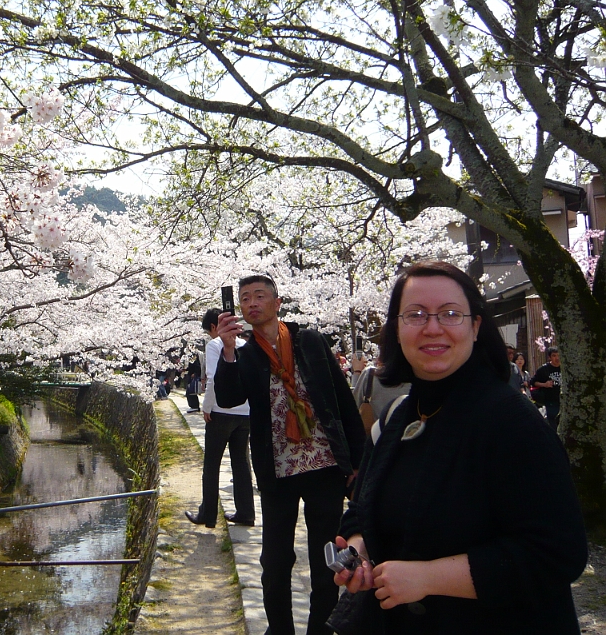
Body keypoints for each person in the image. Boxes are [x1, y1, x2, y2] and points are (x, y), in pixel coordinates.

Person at [331, 261, 586, 635]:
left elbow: (558, 553)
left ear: (476, 326)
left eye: (450, 314)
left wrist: (429, 578)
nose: (432, 327)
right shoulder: (398, 415)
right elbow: (362, 507)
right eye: (415, 315)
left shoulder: (511, 423)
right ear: (397, 329)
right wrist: (358, 551)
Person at [215, 275, 366, 635]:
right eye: (245, 298)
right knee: (275, 561)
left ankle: (320, 629)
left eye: (260, 296)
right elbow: (229, 397)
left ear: (277, 302)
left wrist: (358, 463)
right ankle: (279, 629)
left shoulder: (308, 341)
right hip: (277, 470)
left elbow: (342, 399)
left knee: (325, 557)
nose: (252, 303)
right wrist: (228, 348)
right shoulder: (247, 353)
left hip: (325, 465)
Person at [185, 308, 254, 529]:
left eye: (209, 330)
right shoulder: (245, 345)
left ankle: (208, 514)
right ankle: (246, 512)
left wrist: (207, 406)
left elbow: (215, 378)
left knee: (212, 464)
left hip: (221, 413)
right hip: (245, 413)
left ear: (215, 327)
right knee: (241, 463)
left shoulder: (216, 345)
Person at [531, 347, 563, 430]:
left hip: (564, 401)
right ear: (550, 357)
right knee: (554, 425)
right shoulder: (544, 369)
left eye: (558, 355)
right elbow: (533, 382)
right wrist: (544, 384)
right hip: (551, 401)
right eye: (554, 356)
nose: (557, 358)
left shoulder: (565, 368)